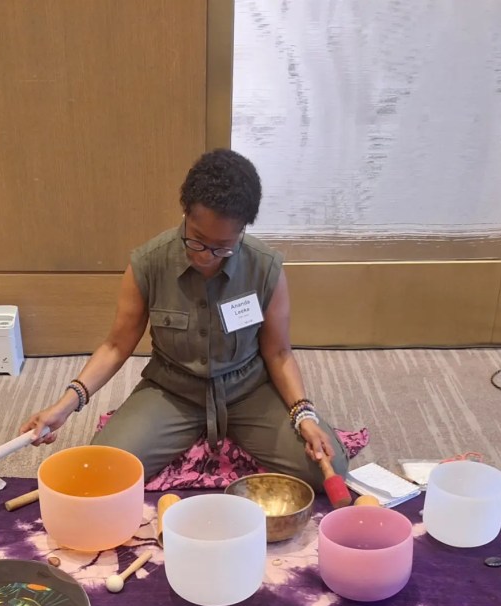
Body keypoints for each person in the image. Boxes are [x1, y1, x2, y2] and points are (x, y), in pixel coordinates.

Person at [19, 148, 348, 490]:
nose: (207, 257)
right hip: (173, 392)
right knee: (104, 474)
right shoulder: (149, 263)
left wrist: (303, 415)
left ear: (242, 230)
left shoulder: (265, 268)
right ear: (185, 213)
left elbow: (278, 354)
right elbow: (116, 346)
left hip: (247, 391)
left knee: (330, 466)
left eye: (223, 246)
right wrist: (64, 406)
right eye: (197, 240)